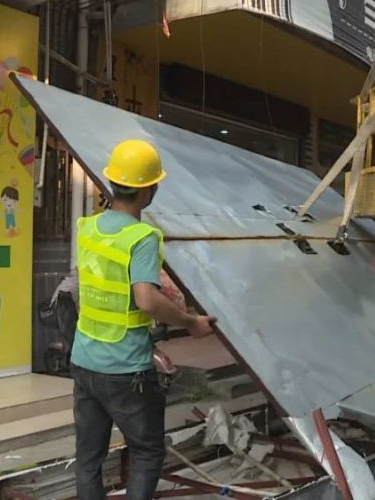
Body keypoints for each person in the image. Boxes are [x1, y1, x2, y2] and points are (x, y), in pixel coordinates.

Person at [71, 138, 215, 500]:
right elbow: (147, 299)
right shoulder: (142, 237)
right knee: (148, 451)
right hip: (125, 368)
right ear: (148, 190)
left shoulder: (87, 228)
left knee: (89, 458)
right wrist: (190, 321)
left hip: (84, 361)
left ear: (112, 182)